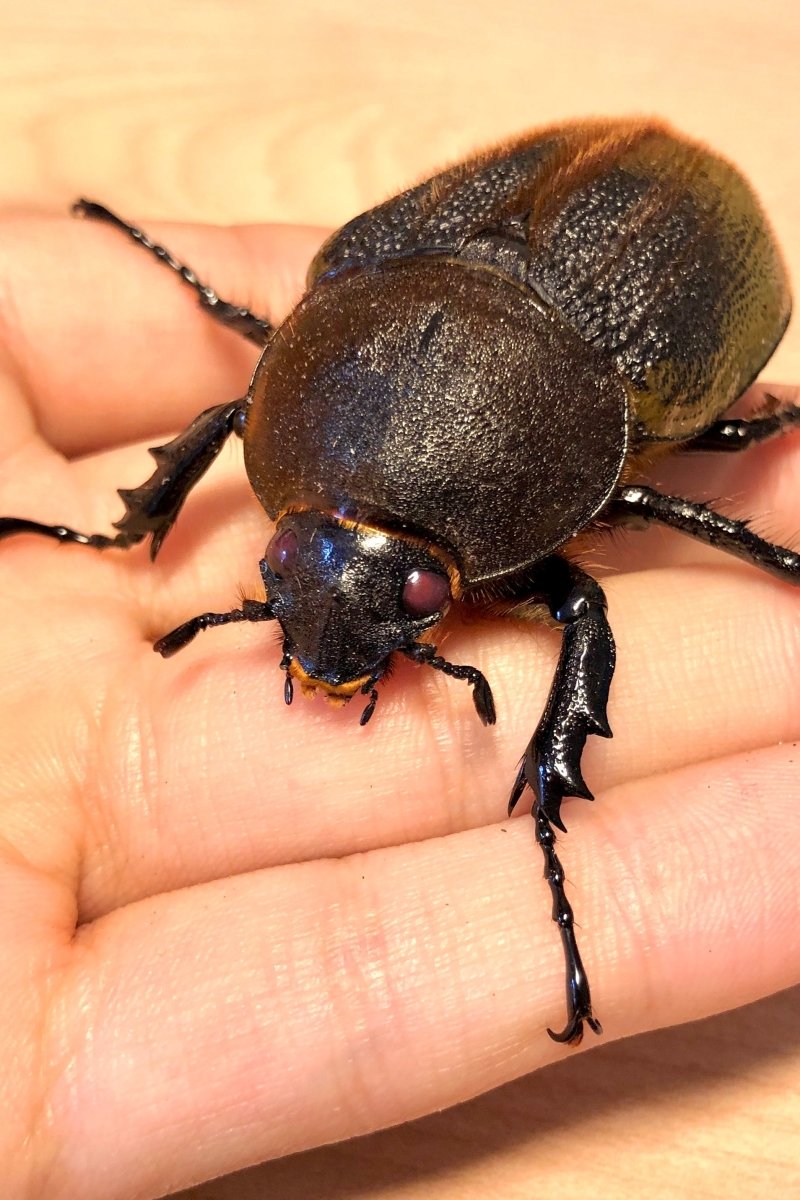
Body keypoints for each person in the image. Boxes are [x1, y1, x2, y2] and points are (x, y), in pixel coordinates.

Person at [0, 212, 797, 1198]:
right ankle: (122, 536)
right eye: (286, 565)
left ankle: (546, 816)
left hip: (655, 267)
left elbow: (581, 599)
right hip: (422, 282)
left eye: (413, 598)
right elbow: (251, 406)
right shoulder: (291, 415)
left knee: (695, 466)